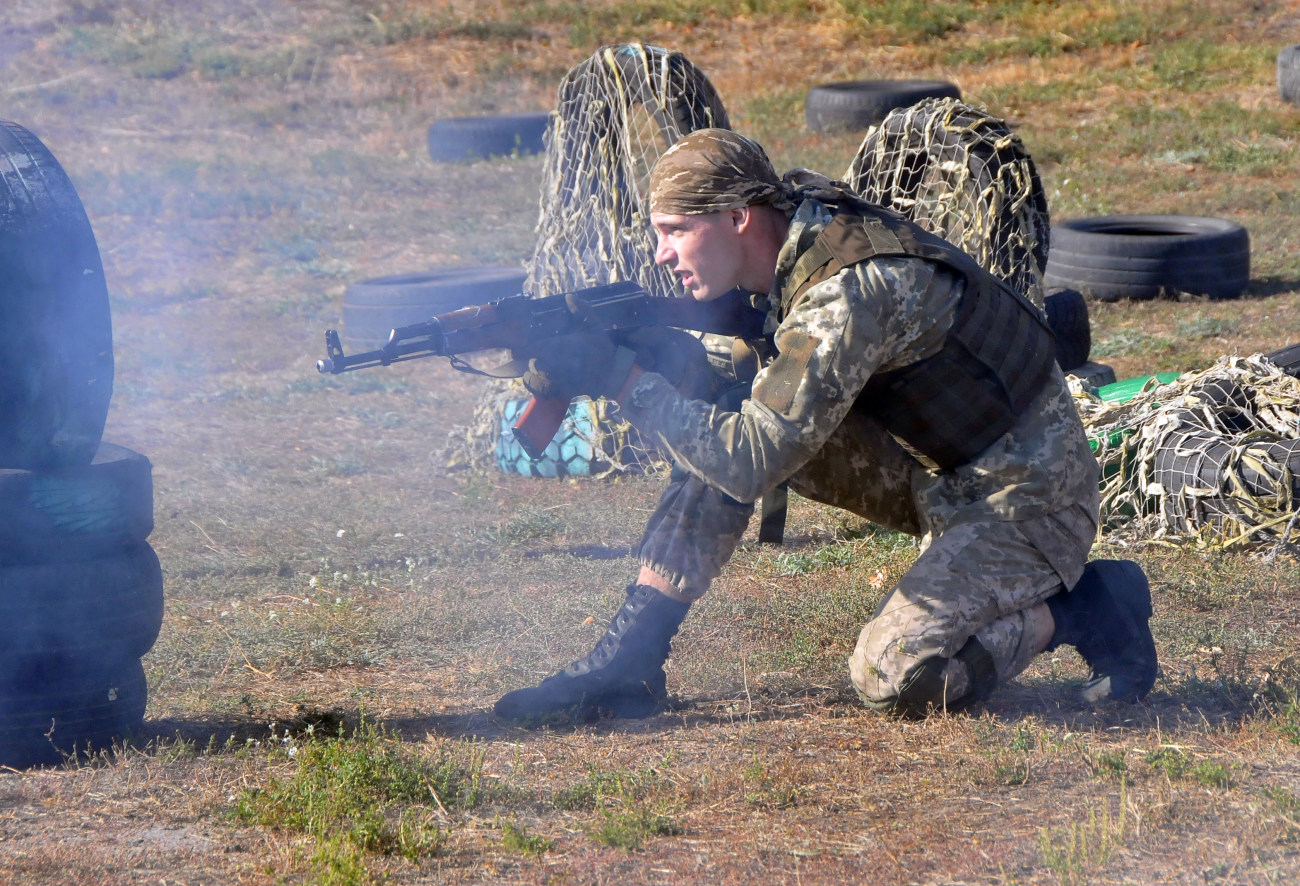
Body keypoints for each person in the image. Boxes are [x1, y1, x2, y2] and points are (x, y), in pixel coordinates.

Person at [493, 128, 1157, 725]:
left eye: (675, 231)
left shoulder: (846, 293)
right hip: (935, 465)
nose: (662, 253)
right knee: (722, 403)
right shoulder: (794, 237)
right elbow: (743, 391)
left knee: (897, 677)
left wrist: (628, 382)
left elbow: (751, 460)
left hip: (1027, 492)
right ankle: (630, 657)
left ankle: (1088, 606)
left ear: (736, 218)